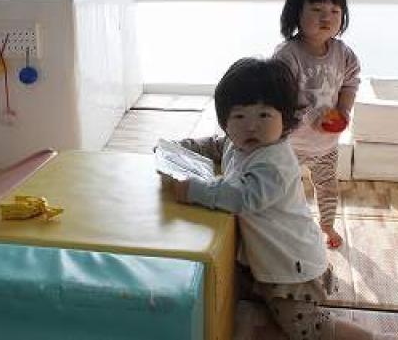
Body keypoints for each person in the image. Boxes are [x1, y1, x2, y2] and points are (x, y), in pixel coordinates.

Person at [162, 57, 381, 339]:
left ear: (286, 119)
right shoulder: (235, 143)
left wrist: (193, 190)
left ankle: (372, 337)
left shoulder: (273, 163)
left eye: (264, 115)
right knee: (233, 291)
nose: (251, 126)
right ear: (225, 121)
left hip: (291, 268)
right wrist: (176, 148)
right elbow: (215, 145)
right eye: (239, 116)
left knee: (307, 329)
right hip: (266, 258)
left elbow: (243, 197)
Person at [273, 0, 361, 249]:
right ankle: (286, 228)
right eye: (317, 9)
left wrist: (344, 111)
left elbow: (350, 83)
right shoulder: (287, 55)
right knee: (285, 188)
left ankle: (327, 225)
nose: (327, 18)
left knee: (327, 188)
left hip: (326, 145)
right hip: (291, 143)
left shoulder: (343, 54)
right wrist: (311, 115)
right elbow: (281, 98)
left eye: (335, 11)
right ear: (296, 13)